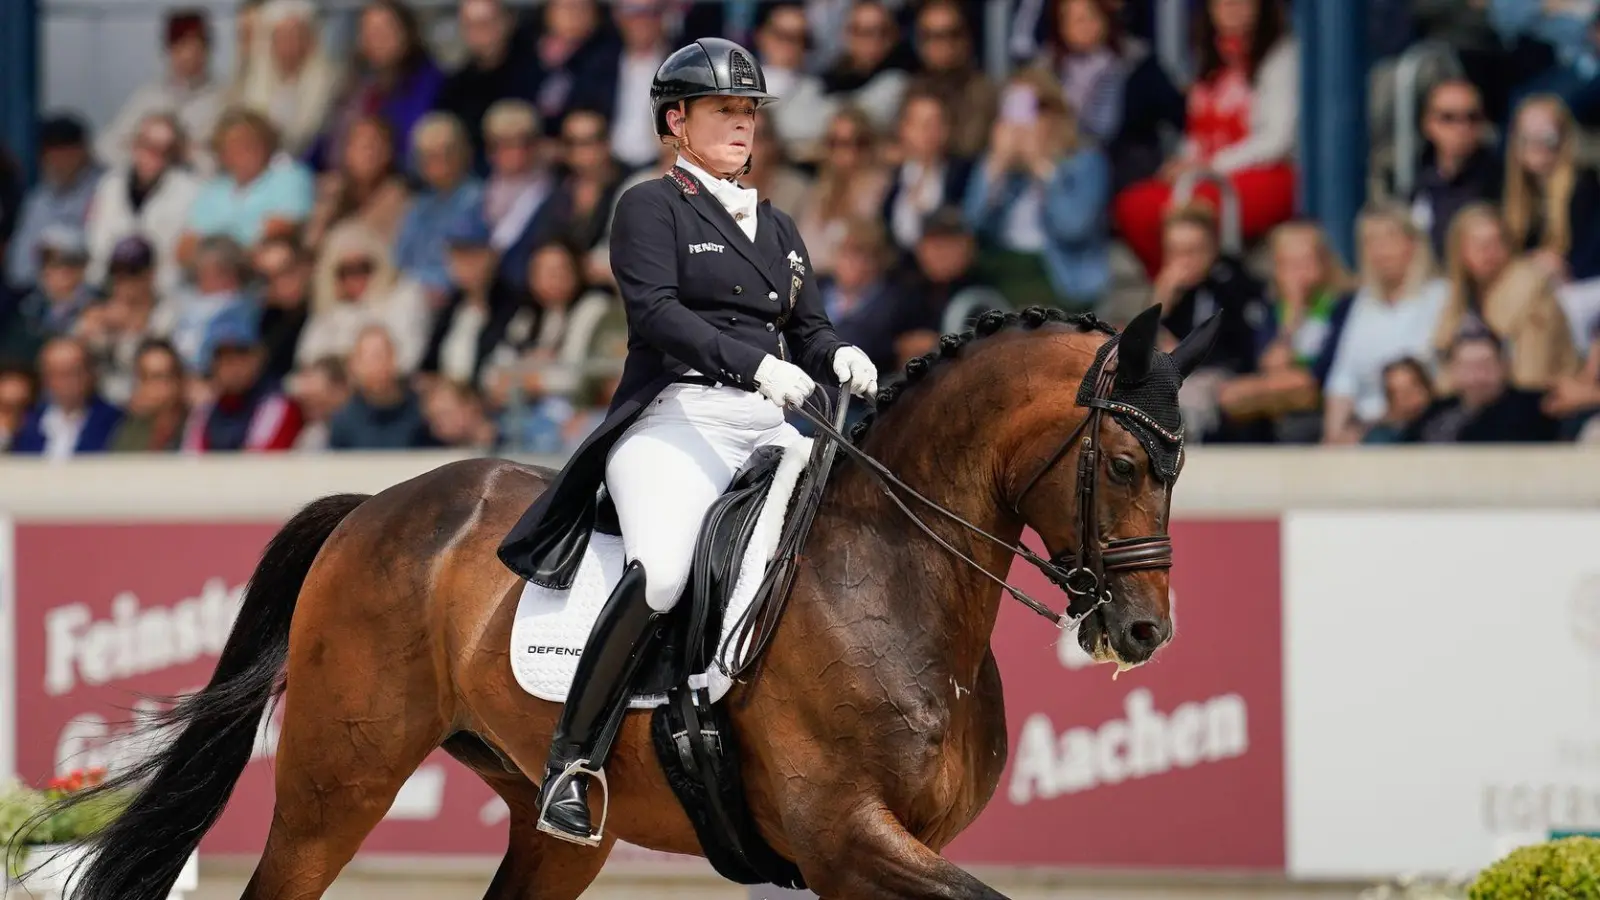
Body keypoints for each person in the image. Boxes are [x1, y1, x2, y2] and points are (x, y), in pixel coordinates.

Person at [495, 37, 879, 847]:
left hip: (770, 421)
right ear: (677, 120)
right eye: (725, 110)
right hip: (675, 417)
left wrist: (836, 351)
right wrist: (755, 364)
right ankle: (574, 761)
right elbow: (659, 315)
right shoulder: (647, 205)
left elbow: (805, 327)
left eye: (749, 111)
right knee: (665, 572)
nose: (743, 125)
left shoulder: (776, 224)